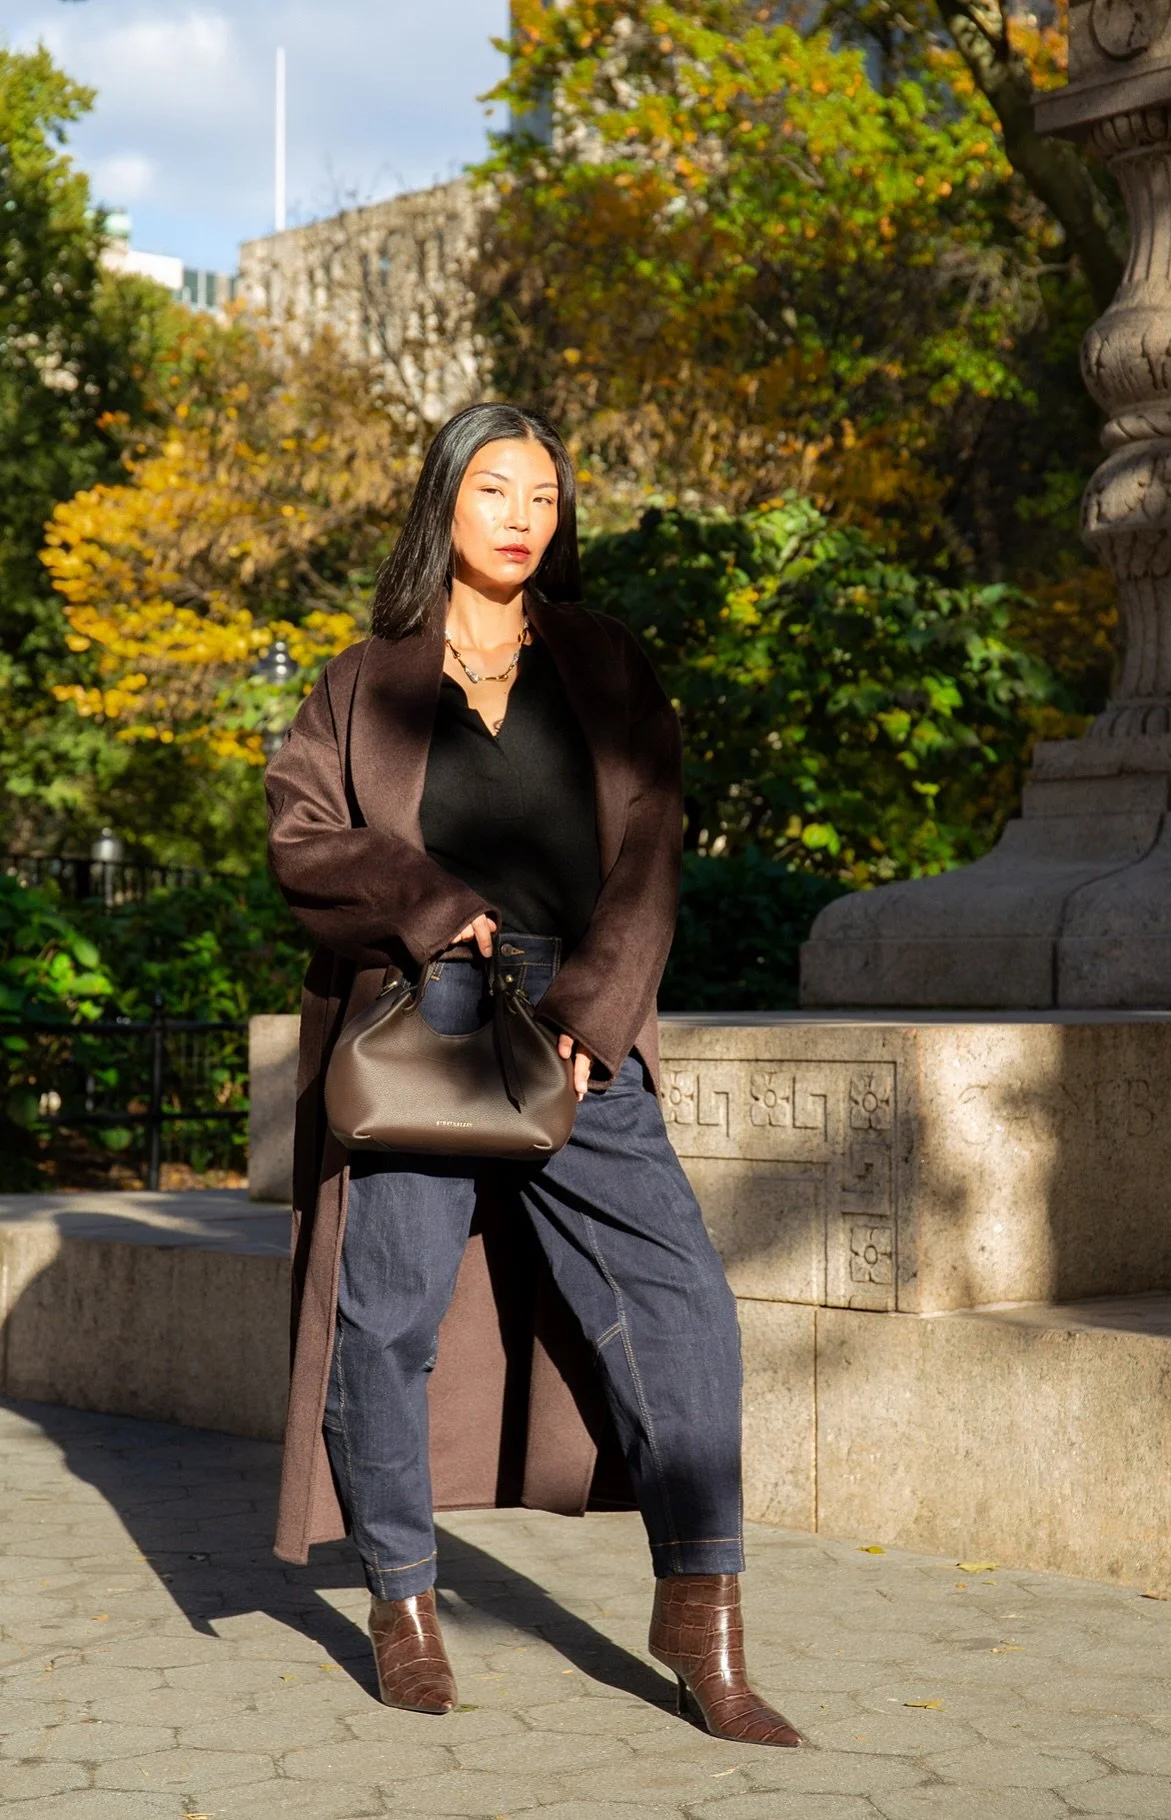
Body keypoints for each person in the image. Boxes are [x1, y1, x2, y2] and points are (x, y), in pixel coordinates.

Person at [264, 402, 802, 1747]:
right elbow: (302, 838)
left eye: (545, 497)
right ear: (443, 501)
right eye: (495, 487)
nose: (521, 514)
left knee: (681, 1298)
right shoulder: (364, 679)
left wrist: (602, 999)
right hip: (424, 1025)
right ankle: (403, 1601)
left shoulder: (606, 666)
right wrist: (429, 902)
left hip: (575, 1020)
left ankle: (704, 1614)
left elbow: (652, 848)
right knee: (386, 1318)